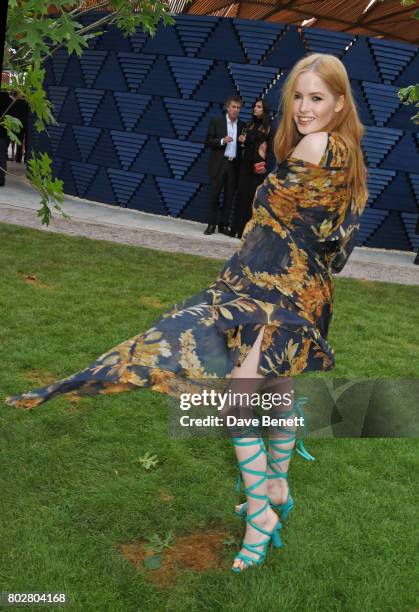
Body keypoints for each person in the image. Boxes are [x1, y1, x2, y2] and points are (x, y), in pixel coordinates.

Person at [5, 53, 368, 573]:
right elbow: (329, 236)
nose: (305, 107)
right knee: (276, 389)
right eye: (299, 96)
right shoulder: (348, 152)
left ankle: (262, 514)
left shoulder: (311, 145)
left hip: (273, 290)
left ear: (338, 102)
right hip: (305, 288)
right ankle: (278, 485)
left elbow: (271, 220)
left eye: (317, 98)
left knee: (238, 400)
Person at [230, 99, 273, 239]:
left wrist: (266, 165)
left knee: (251, 198)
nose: (255, 108)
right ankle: (235, 228)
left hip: (258, 167)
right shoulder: (249, 124)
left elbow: (270, 150)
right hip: (245, 164)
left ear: (264, 110)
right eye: (255, 106)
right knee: (241, 195)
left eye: (259, 107)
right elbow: (245, 144)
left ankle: (246, 230)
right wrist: (242, 140)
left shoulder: (269, 127)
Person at [203, 95, 243, 235]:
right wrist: (221, 141)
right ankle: (211, 225)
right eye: (233, 107)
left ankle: (223, 226)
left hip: (233, 166)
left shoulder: (242, 125)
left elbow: (243, 147)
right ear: (227, 107)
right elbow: (207, 141)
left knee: (228, 197)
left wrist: (243, 142)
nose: (236, 110)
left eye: (238, 107)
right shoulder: (217, 121)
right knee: (215, 195)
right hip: (219, 164)